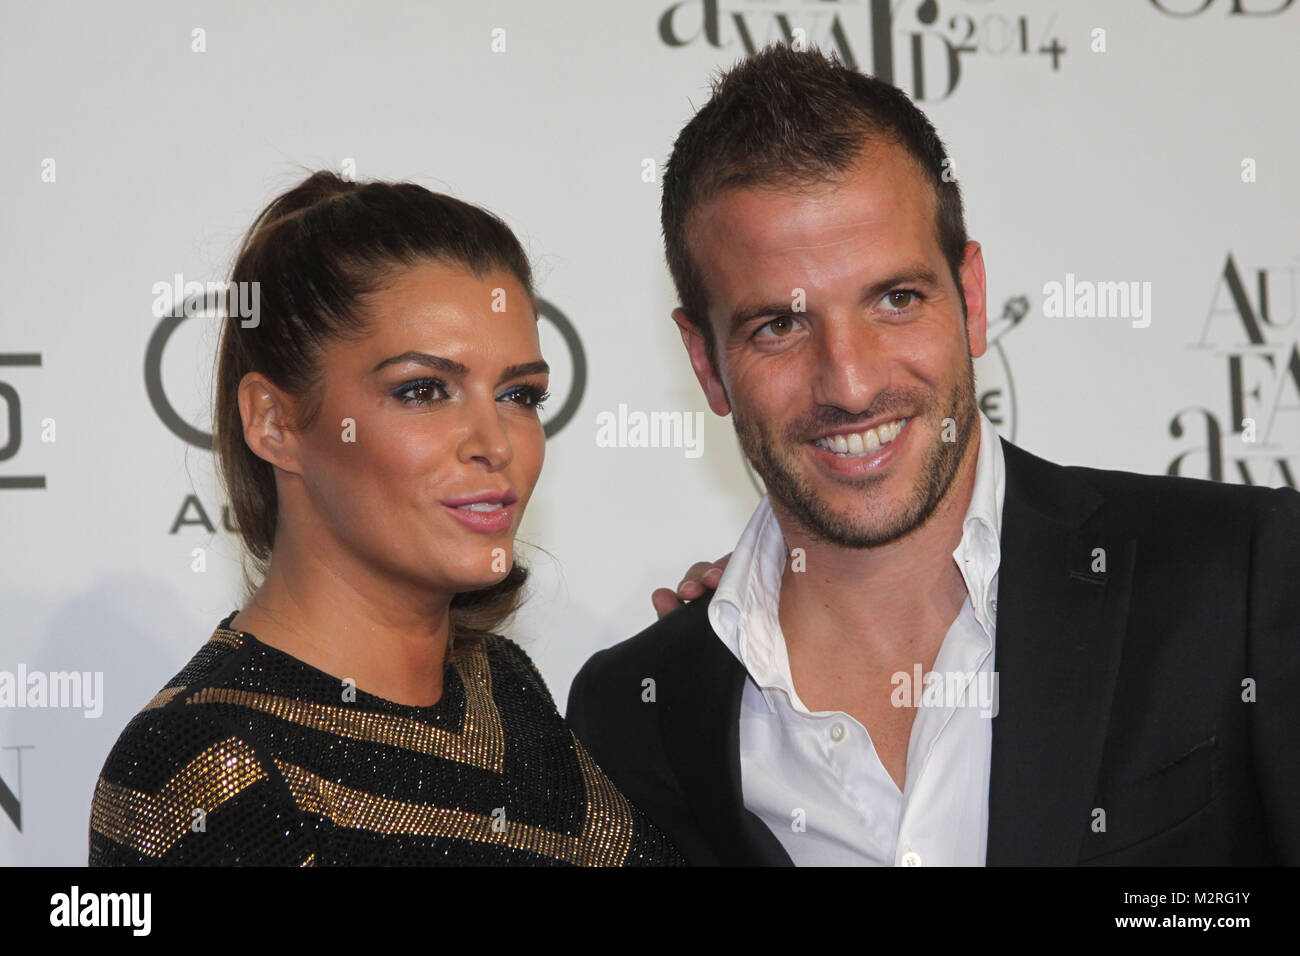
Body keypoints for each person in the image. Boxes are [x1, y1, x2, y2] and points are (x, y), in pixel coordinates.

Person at [566, 44, 1300, 866]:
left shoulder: (1238, 577)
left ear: (972, 297)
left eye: (895, 299)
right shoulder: (635, 714)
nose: (847, 383)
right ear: (706, 362)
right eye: (778, 325)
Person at [88, 171, 685, 866]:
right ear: (275, 421)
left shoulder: (503, 687)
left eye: (520, 395)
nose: (495, 444)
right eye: (424, 390)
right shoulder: (201, 766)